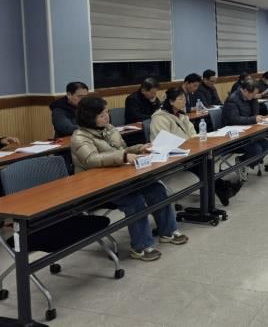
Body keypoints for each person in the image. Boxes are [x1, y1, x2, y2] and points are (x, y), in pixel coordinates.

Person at [70, 96, 188, 261]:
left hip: (121, 177)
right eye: (102, 115)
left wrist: (140, 148)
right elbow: (91, 160)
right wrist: (124, 156)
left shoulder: (110, 129)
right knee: (135, 201)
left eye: (107, 112)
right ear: (89, 117)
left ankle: (168, 231)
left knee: (156, 189)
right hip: (97, 185)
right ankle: (141, 247)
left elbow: (123, 149)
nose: (107, 117)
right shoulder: (79, 137)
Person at [150, 88, 239, 205]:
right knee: (201, 163)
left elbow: (192, 134)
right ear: (171, 101)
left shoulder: (182, 115)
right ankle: (221, 188)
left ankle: (218, 190)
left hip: (187, 151)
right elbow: (163, 141)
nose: (184, 102)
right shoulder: (159, 118)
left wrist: (194, 143)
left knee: (206, 159)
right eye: (181, 99)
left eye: (184, 98)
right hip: (170, 154)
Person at [223, 79, 268, 172]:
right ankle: (242, 162)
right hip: (234, 135)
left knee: (267, 144)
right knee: (257, 149)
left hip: (248, 132)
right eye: (253, 94)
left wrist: (254, 100)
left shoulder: (250, 98)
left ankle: (243, 163)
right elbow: (234, 119)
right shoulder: (232, 100)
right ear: (245, 91)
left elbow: (255, 114)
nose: (254, 95)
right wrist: (253, 119)